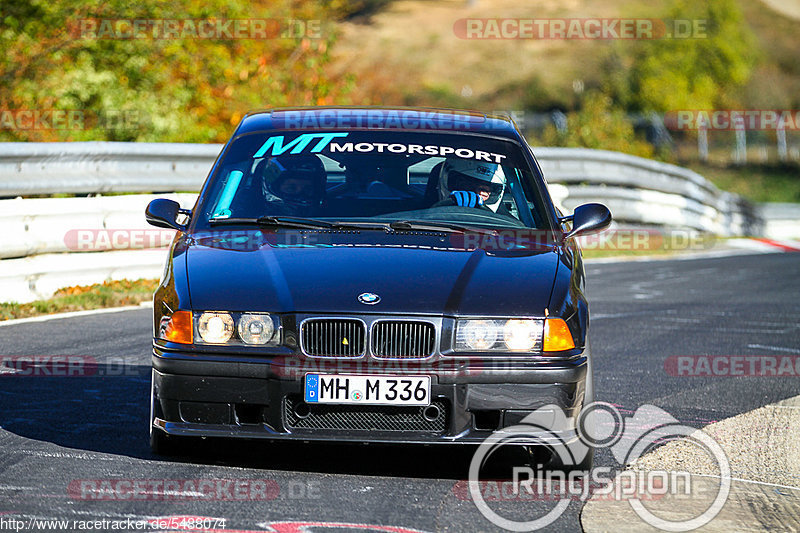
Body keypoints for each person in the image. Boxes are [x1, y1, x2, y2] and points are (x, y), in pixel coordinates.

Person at [260, 154, 326, 215]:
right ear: (274, 187)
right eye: (291, 188)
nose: (301, 196)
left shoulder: (332, 218)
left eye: (307, 189)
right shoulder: (252, 217)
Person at [437, 159, 506, 212]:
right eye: (467, 186)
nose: (474, 196)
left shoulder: (508, 226)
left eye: (484, 190)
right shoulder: (427, 219)